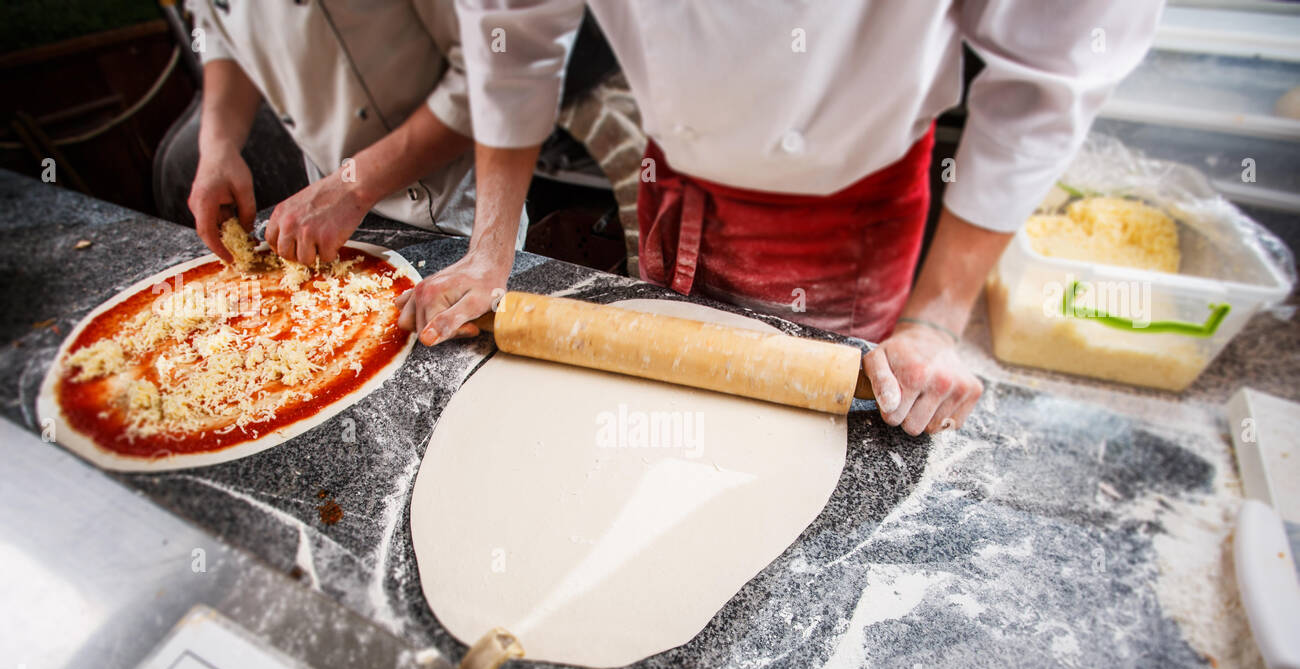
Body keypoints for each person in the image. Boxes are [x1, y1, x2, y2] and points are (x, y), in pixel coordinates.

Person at [399, 0, 1162, 434]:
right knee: (662, 416)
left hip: (846, 215)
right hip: (672, 178)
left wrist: (936, 319)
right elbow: (513, 38)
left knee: (819, 435)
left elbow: (1048, 82)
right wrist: (488, 251)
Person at [184, 0, 523, 268]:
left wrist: (352, 185)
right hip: (327, 213)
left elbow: (499, 68)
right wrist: (218, 146)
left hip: (451, 213)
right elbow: (220, 33)